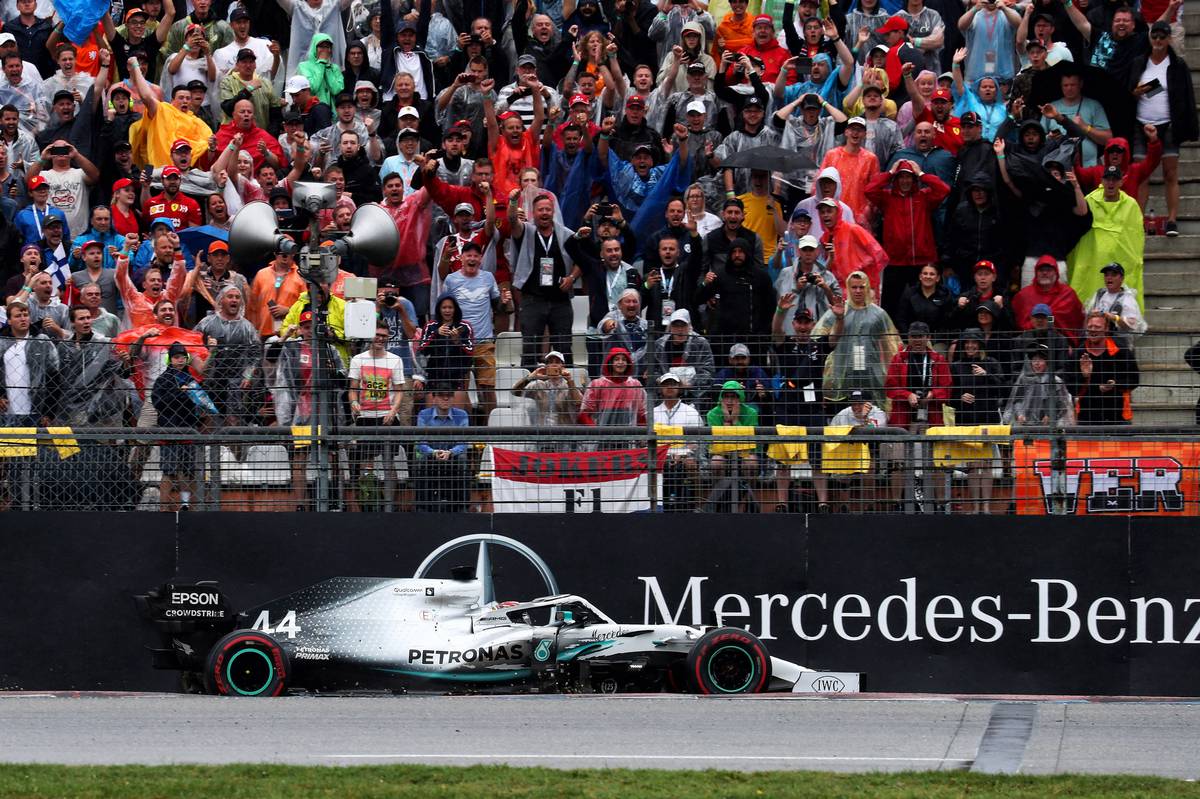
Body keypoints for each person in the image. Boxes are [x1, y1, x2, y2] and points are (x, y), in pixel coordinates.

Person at [1127, 19, 1197, 237]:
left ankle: (1172, 220)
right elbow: (1129, 90)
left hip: (1168, 123)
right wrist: (1141, 90)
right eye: (1154, 36)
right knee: (1141, 173)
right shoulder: (1139, 62)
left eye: (1161, 36)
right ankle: (1138, 220)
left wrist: (1187, 127)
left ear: (1169, 39)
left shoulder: (1178, 65)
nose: (1157, 40)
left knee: (1170, 173)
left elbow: (1186, 97)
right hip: (1141, 122)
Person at [771, 296, 832, 512]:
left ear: (813, 324)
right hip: (787, 407)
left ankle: (823, 502)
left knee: (818, 458)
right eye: (799, 322)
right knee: (783, 458)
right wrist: (780, 310)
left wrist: (840, 316)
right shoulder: (785, 344)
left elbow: (837, 336)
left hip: (813, 407)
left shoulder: (820, 346)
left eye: (807, 322)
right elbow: (776, 331)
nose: (803, 326)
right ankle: (781, 502)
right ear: (794, 324)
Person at [864, 159, 950, 309]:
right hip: (896, 261)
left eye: (909, 176)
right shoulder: (887, 198)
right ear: (896, 179)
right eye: (901, 177)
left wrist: (922, 174)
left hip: (922, 261)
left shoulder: (924, 197)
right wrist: (890, 173)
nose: (905, 180)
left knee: (923, 303)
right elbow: (869, 190)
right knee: (892, 303)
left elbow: (944, 189)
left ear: (914, 178)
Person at [507, 190, 579, 370]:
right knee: (530, 348)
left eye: (548, 209)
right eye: (540, 210)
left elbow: (581, 260)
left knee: (564, 348)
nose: (545, 213)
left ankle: (567, 393)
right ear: (534, 213)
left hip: (560, 300)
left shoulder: (567, 234)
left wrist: (572, 277)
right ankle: (527, 391)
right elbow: (512, 221)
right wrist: (513, 202)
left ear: (553, 211)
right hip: (532, 299)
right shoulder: (525, 231)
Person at [442, 240, 510, 419]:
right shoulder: (451, 279)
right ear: (461, 258)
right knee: (461, 388)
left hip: (484, 341)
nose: (472, 259)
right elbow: (444, 309)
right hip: (459, 343)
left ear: (480, 259)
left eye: (476, 256)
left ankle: (492, 430)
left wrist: (504, 302)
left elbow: (498, 307)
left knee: (487, 386)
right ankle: (464, 431)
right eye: (468, 255)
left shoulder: (488, 278)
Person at [813, 270, 899, 407]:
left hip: (871, 371)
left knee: (871, 414)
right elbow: (817, 336)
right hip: (841, 371)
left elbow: (891, 345)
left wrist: (891, 372)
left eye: (861, 287)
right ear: (848, 288)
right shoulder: (838, 310)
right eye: (854, 287)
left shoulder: (879, 314)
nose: (858, 291)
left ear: (867, 287)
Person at [1068, 166, 1145, 312]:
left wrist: (1134, 262)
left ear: (1122, 182)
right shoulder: (1089, 201)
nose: (1111, 183)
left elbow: (1135, 238)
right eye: (1107, 179)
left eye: (1115, 179)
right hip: (1091, 265)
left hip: (1119, 267)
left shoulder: (1131, 205)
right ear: (1102, 181)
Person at [347, 319, 406, 511]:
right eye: (377, 334)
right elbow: (352, 389)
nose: (380, 338)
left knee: (389, 463)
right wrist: (354, 403)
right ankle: (368, 504)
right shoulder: (358, 360)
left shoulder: (395, 360)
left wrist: (393, 411)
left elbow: (399, 390)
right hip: (365, 417)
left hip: (387, 416)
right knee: (366, 463)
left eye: (384, 336)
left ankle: (390, 506)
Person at [194, 284, 260, 426]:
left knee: (234, 423)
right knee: (210, 421)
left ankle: (234, 448)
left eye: (237, 297)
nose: (234, 300)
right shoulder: (207, 323)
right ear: (221, 300)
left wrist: (248, 375)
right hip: (211, 381)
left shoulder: (247, 327)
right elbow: (193, 344)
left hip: (236, 383)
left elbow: (256, 354)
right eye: (230, 296)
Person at [151, 342, 206, 511]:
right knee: (169, 471)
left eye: (183, 357)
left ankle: (185, 505)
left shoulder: (191, 380)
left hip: (187, 429)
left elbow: (199, 404)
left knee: (187, 471)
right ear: (170, 360)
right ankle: (163, 508)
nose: (180, 360)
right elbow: (158, 403)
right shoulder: (163, 380)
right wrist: (179, 394)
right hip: (169, 431)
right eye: (176, 357)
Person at [55, 304, 125, 427]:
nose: (86, 321)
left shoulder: (104, 344)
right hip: (73, 405)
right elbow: (59, 379)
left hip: (102, 406)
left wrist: (126, 361)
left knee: (105, 443)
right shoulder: (65, 347)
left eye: (88, 318)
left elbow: (123, 372)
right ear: (72, 323)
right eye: (81, 319)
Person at [1068, 311, 1139, 425]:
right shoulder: (1078, 354)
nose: (1092, 329)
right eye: (1090, 326)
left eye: (1097, 327)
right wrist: (1085, 377)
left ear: (1106, 329)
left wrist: (1115, 384)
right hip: (1087, 418)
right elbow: (1072, 388)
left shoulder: (1121, 351)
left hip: (1118, 417)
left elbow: (1134, 380)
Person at [652, 370, 703, 512]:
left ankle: (697, 505)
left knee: (691, 464)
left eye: (673, 384)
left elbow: (695, 442)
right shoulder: (652, 412)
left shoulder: (691, 411)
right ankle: (652, 505)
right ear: (660, 388)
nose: (669, 387)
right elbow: (646, 442)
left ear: (679, 388)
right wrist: (663, 455)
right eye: (666, 384)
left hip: (684, 456)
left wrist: (682, 454)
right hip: (658, 457)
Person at [414, 388, 470, 512]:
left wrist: (450, 452)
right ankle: (422, 508)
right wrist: (433, 452)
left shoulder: (462, 415)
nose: (445, 398)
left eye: (449, 395)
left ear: (453, 398)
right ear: (434, 399)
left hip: (453, 456)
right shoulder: (424, 414)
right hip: (431, 456)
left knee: (462, 460)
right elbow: (421, 442)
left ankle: (462, 507)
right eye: (441, 396)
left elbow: (463, 442)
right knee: (421, 461)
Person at [417, 294, 474, 409]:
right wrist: (436, 334)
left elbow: (471, 351)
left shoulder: (465, 326)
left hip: (456, 378)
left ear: (455, 309)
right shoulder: (431, 326)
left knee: (457, 416)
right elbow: (422, 349)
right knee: (431, 416)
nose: (447, 310)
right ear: (439, 309)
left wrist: (458, 341)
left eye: (450, 307)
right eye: (444, 307)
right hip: (434, 377)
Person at [1012, 255, 1085, 345]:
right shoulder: (1024, 295)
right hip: (1029, 343)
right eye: (1041, 270)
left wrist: (1069, 344)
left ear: (1056, 273)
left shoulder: (1068, 294)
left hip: (1061, 344)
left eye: (1049, 270)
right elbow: (1017, 322)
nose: (1045, 273)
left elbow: (1078, 321)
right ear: (1036, 272)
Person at [646, 308, 714, 397]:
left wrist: (690, 384)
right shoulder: (660, 344)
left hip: (693, 395)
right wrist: (662, 381)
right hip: (666, 394)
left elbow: (708, 372)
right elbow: (652, 371)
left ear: (689, 326)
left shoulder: (701, 343)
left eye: (683, 325)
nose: (679, 330)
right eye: (676, 326)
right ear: (670, 327)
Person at [1002, 342, 1074, 426]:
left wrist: (1051, 415)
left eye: (1040, 359)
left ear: (1047, 362)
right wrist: (1019, 414)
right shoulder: (1024, 380)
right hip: (1025, 427)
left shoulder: (1055, 381)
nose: (1037, 363)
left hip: (1049, 428)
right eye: (1034, 359)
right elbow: (1017, 401)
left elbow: (1062, 405)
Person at [511, 349, 582, 432]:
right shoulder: (539, 385)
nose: (554, 364)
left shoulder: (568, 386)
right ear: (546, 366)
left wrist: (570, 380)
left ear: (562, 366)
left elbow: (578, 403)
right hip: (542, 432)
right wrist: (530, 377)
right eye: (550, 362)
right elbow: (515, 392)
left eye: (557, 362)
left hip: (564, 433)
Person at [579, 346, 646, 427]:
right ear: (610, 362)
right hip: (602, 436)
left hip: (630, 436)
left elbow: (643, 414)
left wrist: (640, 435)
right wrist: (597, 433)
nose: (620, 362)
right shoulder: (597, 385)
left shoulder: (635, 385)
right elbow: (584, 414)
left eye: (624, 359)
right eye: (616, 359)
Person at [1083, 262, 1147, 337]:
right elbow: (1087, 316)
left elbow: (1133, 325)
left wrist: (1115, 318)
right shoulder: (1100, 294)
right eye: (1106, 275)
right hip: (1096, 340)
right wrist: (1091, 315)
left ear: (1122, 278)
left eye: (1113, 275)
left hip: (1117, 342)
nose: (1109, 278)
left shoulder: (1127, 299)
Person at [894, 264, 953, 341]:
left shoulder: (945, 295)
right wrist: (908, 337)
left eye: (932, 274)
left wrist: (934, 340)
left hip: (936, 341)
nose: (928, 276)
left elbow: (947, 322)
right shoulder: (909, 293)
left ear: (938, 278)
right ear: (920, 277)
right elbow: (901, 319)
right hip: (910, 340)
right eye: (925, 273)